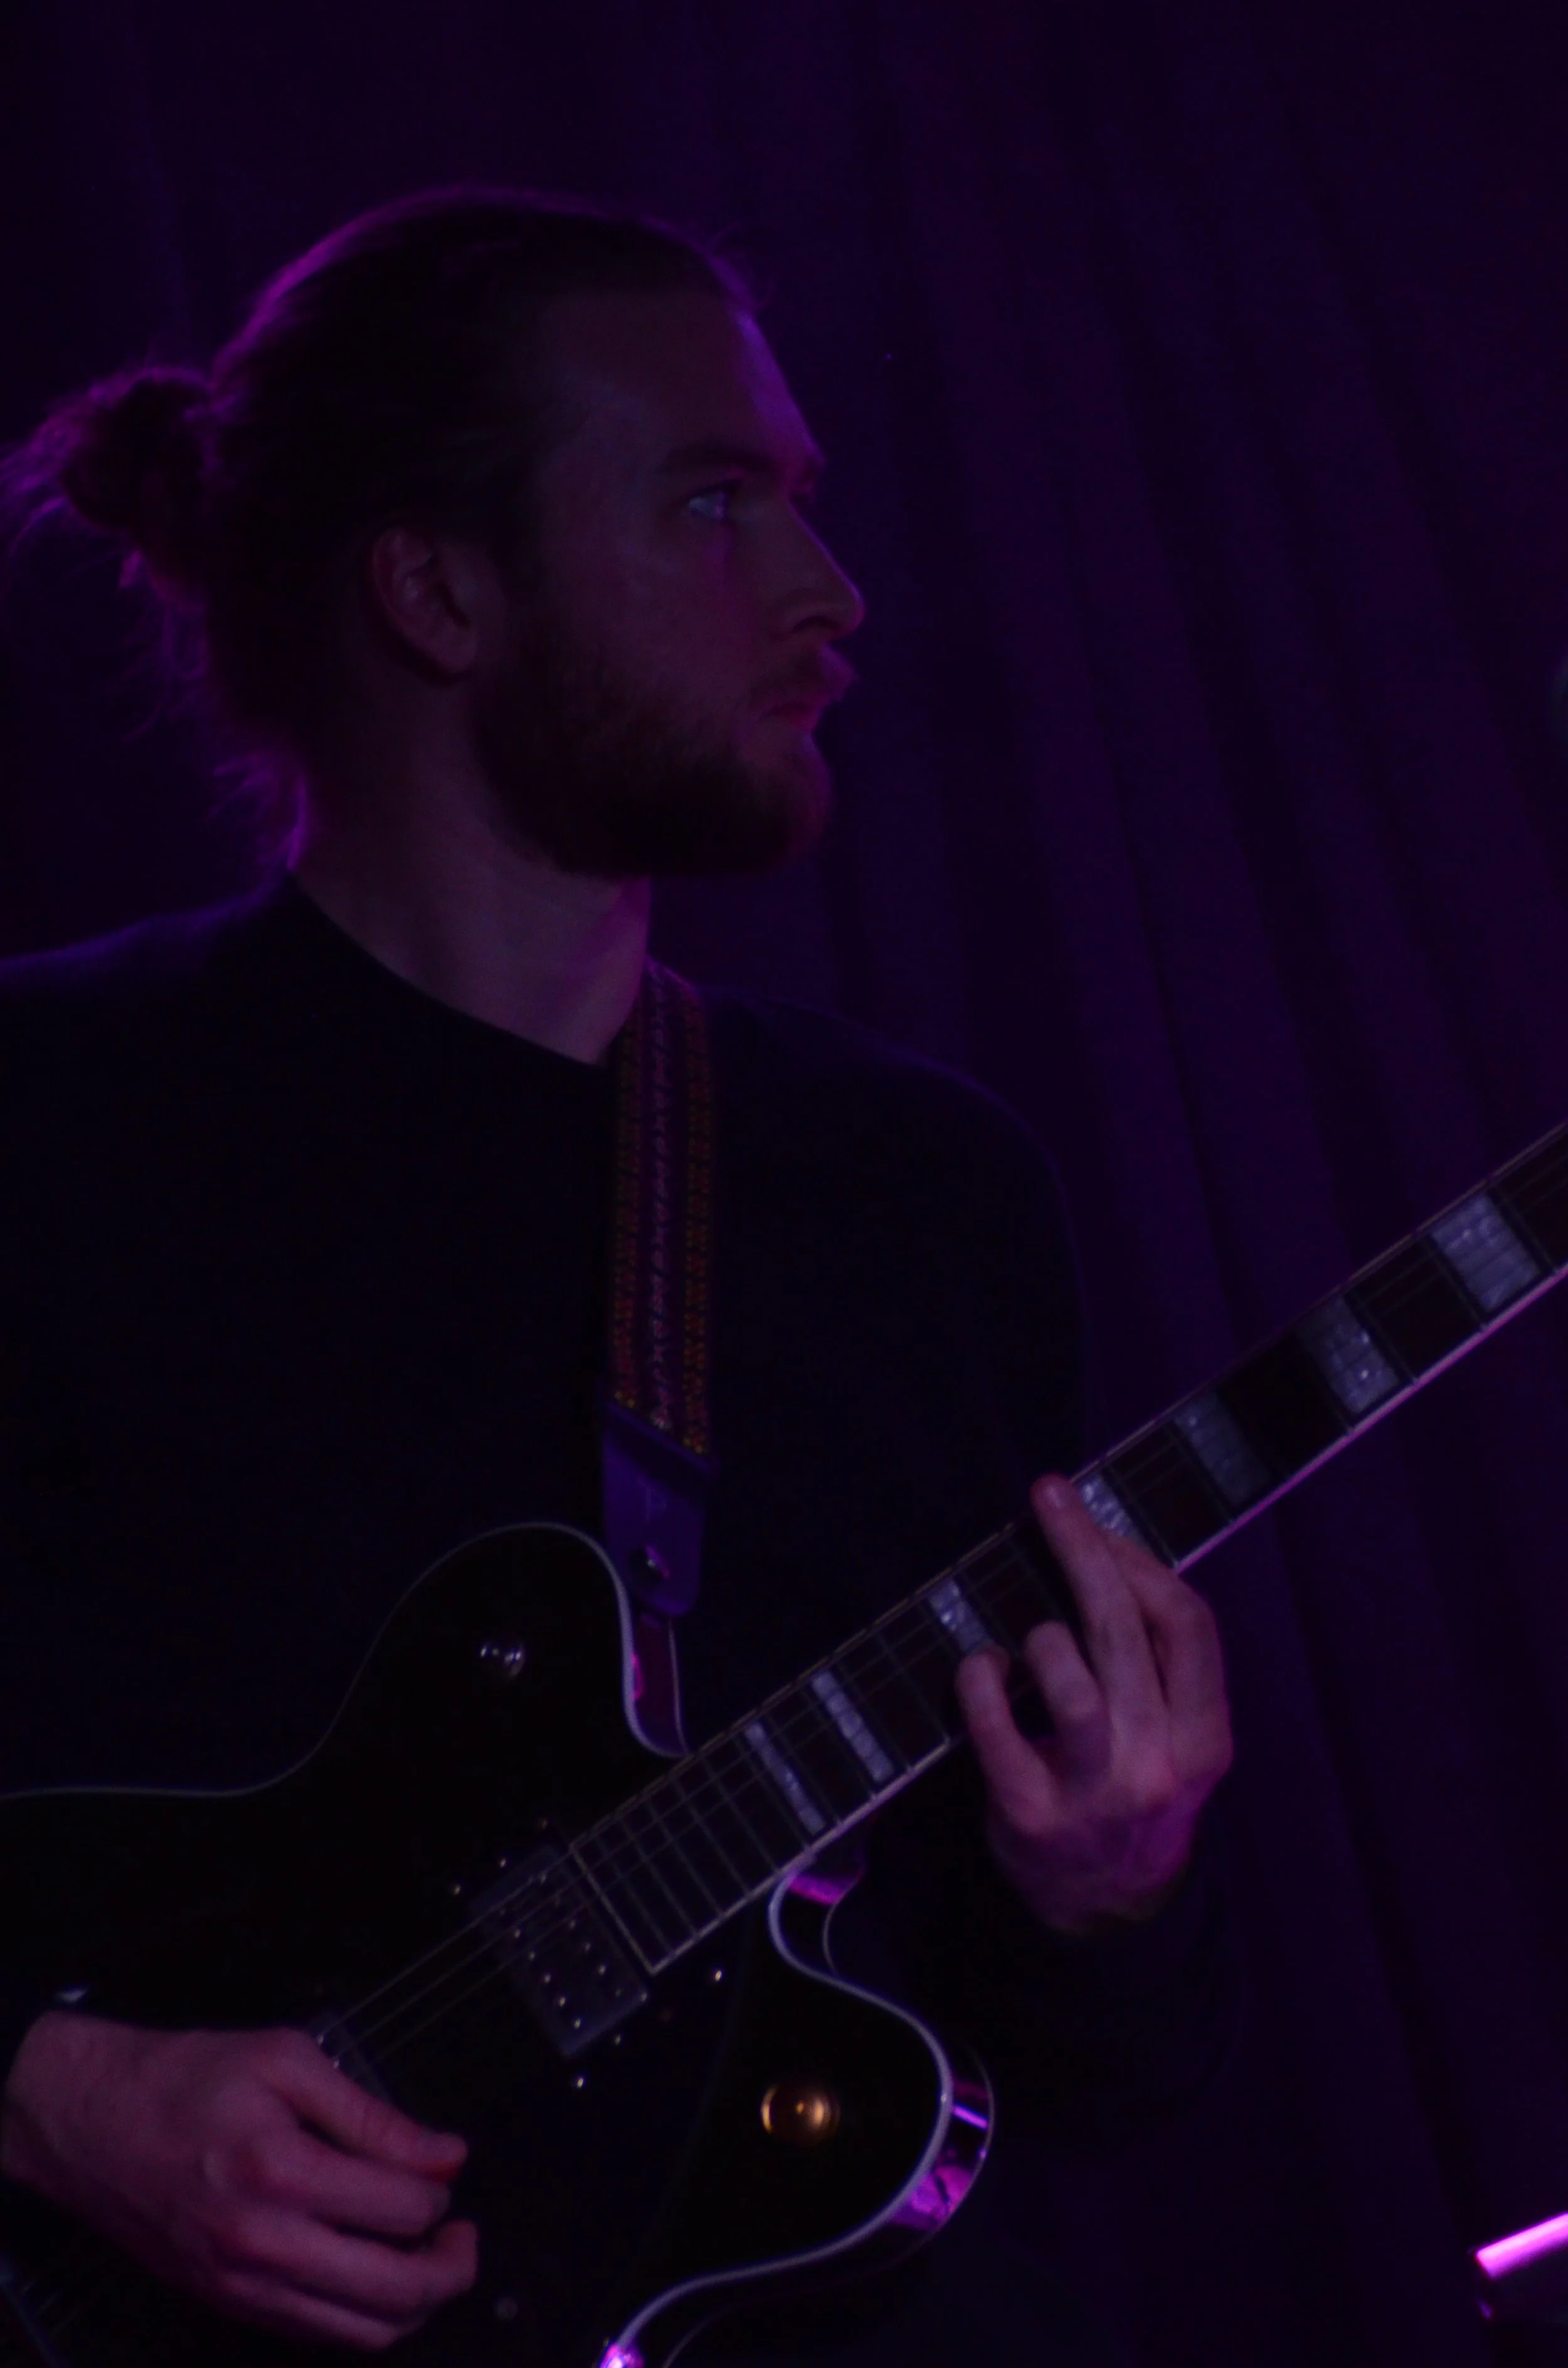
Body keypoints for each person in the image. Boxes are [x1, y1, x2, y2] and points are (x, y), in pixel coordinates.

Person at [0, 189, 1234, 2362]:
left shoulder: (913, 1193)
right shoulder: (52, 1119)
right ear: (436, 589)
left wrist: (1104, 1892)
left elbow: (1068, 2078)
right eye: (712, 500)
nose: (828, 592)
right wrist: (55, 2094)